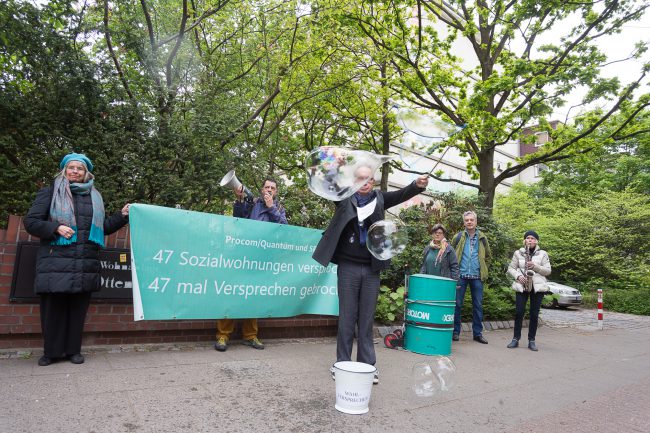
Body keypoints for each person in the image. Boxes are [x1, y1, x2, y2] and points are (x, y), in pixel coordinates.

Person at [313, 167, 428, 384]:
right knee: (347, 317)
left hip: (372, 267)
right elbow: (328, 186)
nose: (364, 182)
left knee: (366, 319)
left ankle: (368, 366)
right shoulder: (345, 198)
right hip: (348, 266)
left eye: (368, 178)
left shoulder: (380, 199)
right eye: (360, 178)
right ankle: (342, 363)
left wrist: (417, 185)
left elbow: (401, 194)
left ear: (373, 181)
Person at [24, 153, 130, 366]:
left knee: (77, 311)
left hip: (85, 262)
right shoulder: (50, 192)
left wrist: (122, 215)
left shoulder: (95, 197)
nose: (75, 171)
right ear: (64, 170)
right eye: (71, 168)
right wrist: (55, 227)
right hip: (56, 263)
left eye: (79, 169)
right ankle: (51, 353)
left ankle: (73, 351)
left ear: (86, 173)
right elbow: (31, 222)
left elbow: (103, 229)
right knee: (53, 311)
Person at [214, 177, 287, 352]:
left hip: (262, 258)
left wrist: (271, 209)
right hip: (243, 255)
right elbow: (238, 219)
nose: (269, 190)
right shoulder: (252, 203)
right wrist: (239, 200)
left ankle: (250, 335)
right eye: (266, 187)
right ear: (262, 189)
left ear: (275, 192)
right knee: (232, 292)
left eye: (272, 188)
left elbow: (284, 229)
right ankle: (223, 335)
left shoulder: (279, 208)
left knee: (254, 295)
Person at [506, 230, 552, 351]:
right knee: (519, 313)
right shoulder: (518, 253)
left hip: (537, 287)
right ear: (524, 240)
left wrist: (535, 267)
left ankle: (532, 340)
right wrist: (518, 276)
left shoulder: (543, 254)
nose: (530, 240)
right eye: (528, 238)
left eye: (532, 238)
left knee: (534, 314)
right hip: (522, 285)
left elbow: (548, 271)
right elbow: (511, 268)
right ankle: (515, 339)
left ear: (536, 241)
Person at [450, 211, 491, 344]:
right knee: (457, 304)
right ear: (464, 222)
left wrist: (483, 269)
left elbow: (488, 257)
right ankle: (455, 332)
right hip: (460, 275)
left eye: (471, 220)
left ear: (476, 222)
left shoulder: (483, 238)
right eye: (466, 220)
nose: (469, 222)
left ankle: (477, 334)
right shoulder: (458, 237)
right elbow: (451, 254)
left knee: (478, 305)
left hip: (477, 276)